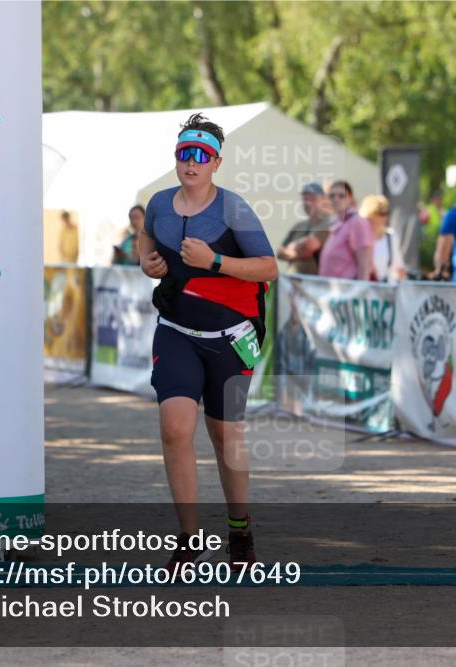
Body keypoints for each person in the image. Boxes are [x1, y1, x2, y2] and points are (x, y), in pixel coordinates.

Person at [137, 113, 277, 571]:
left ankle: (240, 528)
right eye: (184, 154)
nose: (190, 163)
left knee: (225, 436)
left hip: (230, 337)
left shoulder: (233, 209)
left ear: (216, 162)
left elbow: (267, 267)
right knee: (175, 428)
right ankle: (189, 538)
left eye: (200, 156)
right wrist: (148, 262)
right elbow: (145, 235)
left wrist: (215, 260)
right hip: (176, 331)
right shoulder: (159, 203)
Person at [316, 180, 374, 281]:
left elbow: (364, 264)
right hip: (332, 290)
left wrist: (360, 292)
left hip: (348, 290)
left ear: (350, 199)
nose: (336, 199)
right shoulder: (338, 223)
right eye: (332, 196)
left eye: (341, 196)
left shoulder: (357, 222)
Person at [275, 182, 333, 275]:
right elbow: (279, 253)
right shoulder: (299, 226)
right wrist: (297, 252)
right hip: (292, 283)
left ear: (323, 199)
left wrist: (292, 248)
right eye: (305, 198)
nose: (307, 202)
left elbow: (308, 247)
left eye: (311, 198)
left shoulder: (329, 223)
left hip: (317, 283)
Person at [359, 194, 406, 283]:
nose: (385, 217)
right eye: (381, 213)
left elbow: (400, 268)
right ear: (370, 214)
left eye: (387, 212)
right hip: (365, 291)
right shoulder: (360, 238)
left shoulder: (391, 237)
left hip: (386, 291)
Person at [418, 191, 443, 278]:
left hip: (434, 243)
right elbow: (422, 220)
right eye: (436, 199)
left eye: (439, 199)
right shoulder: (429, 209)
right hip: (428, 243)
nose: (438, 201)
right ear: (432, 200)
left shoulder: (438, 210)